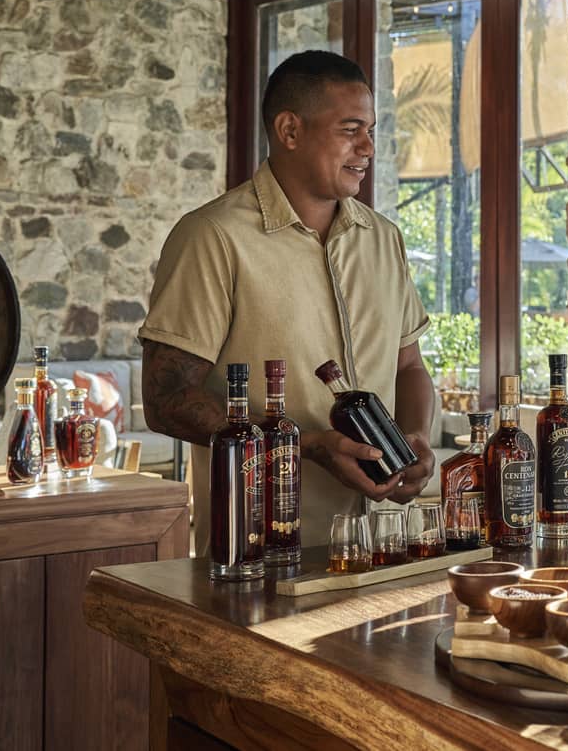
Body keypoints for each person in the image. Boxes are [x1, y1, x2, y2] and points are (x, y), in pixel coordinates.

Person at [139, 50, 437, 552]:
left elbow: (408, 367)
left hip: (387, 547)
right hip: (261, 552)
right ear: (290, 131)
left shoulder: (385, 238)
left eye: (371, 130)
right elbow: (165, 401)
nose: (368, 147)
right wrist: (301, 445)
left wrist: (418, 438)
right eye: (350, 129)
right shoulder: (212, 237)